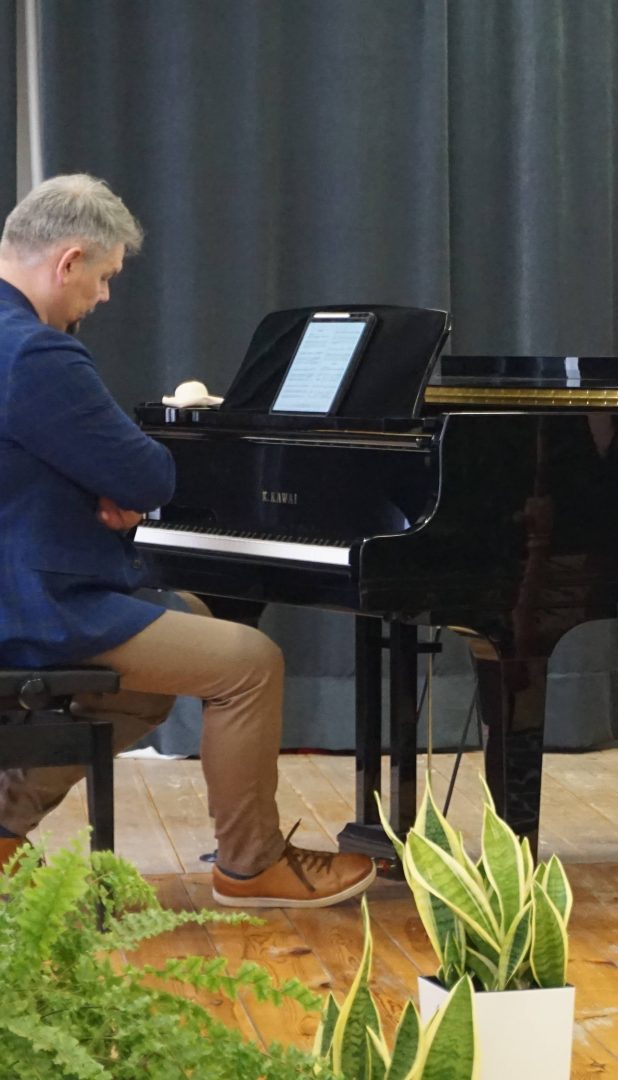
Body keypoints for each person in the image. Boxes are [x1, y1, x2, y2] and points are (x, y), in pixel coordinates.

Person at [0, 173, 375, 907]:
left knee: (190, 622)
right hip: (34, 602)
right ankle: (252, 864)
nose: (105, 296)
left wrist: (94, 481)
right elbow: (149, 475)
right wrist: (115, 486)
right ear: (68, 261)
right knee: (250, 663)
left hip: (21, 583)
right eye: (104, 277)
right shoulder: (36, 354)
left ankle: (3, 830)